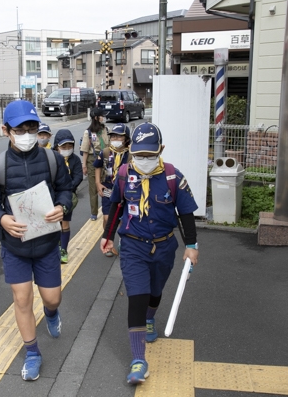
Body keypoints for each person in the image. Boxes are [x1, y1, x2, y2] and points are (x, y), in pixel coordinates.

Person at [99, 122, 199, 385]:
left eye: (150, 155)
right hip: (132, 245)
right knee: (138, 296)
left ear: (161, 149)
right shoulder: (123, 175)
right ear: (132, 150)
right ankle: (138, 360)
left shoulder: (172, 177)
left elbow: (186, 214)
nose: (143, 160)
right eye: (139, 155)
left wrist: (192, 246)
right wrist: (107, 236)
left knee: (155, 291)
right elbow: (116, 206)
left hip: (165, 246)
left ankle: (151, 318)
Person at [0, 100, 72, 381]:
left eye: (32, 127)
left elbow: (65, 190)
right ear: (5, 130)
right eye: (19, 129)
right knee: (22, 299)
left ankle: (51, 312)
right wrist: (2, 219)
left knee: (52, 298)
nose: (27, 134)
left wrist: (63, 206)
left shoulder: (52, 159)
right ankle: (32, 352)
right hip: (15, 246)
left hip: (46, 244)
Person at [93, 123, 130, 256]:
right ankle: (107, 240)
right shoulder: (106, 152)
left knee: (121, 218)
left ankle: (120, 241)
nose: (115, 139)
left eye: (119, 137)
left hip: (124, 190)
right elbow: (97, 167)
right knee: (108, 217)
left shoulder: (130, 154)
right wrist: (98, 183)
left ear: (126, 139)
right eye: (113, 136)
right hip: (108, 188)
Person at [53, 128, 83, 264]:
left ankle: (63, 249)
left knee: (64, 223)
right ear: (56, 146)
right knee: (53, 223)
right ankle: (54, 248)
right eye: (63, 146)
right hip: (52, 195)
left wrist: (67, 188)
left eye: (69, 146)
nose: (67, 149)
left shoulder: (75, 160)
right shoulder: (51, 158)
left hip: (68, 197)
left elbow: (78, 176)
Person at [80, 107, 110, 221]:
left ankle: (106, 208)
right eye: (102, 116)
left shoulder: (106, 129)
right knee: (93, 188)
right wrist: (84, 165)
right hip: (92, 160)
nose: (104, 118)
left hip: (106, 159)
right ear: (96, 118)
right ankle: (94, 212)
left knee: (106, 184)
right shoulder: (87, 132)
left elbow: (109, 145)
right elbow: (85, 150)